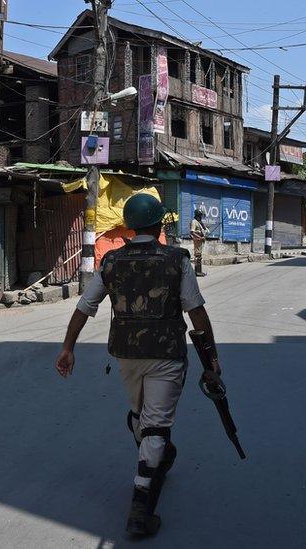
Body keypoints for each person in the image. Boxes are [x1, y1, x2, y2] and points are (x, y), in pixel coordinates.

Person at [55, 193, 221, 537]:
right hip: (167, 354)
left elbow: (85, 306)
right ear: (159, 223)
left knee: (142, 416)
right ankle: (140, 509)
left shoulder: (112, 261)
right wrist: (212, 359)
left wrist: (68, 348)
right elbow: (196, 311)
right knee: (155, 426)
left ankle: (155, 455)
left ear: (130, 227)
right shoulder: (177, 259)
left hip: (126, 355)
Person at [189, 209, 209, 276]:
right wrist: (200, 238)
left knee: (199, 255)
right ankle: (197, 272)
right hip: (197, 240)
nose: (201, 217)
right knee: (198, 256)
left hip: (200, 240)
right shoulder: (194, 222)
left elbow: (204, 229)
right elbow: (192, 232)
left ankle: (199, 271)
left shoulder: (199, 222)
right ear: (198, 215)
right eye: (200, 215)